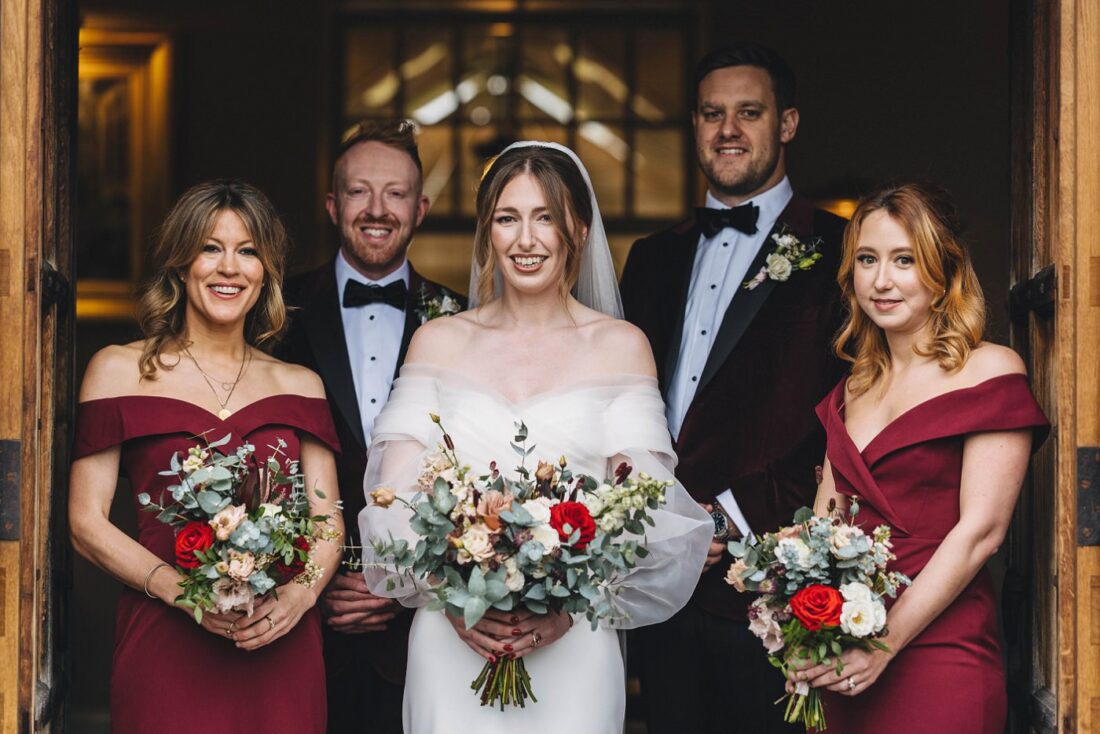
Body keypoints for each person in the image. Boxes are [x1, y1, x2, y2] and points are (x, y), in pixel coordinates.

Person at [358, 141, 713, 733]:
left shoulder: (621, 346)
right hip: (454, 639)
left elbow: (646, 507)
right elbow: (392, 497)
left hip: (574, 642)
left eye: (545, 217)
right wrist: (454, 598)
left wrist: (569, 612)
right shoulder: (438, 342)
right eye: (507, 218)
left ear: (577, 227)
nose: (526, 240)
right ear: (487, 233)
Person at [620, 42, 846, 732]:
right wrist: (662, 516)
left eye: (749, 112)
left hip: (775, 580)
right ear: (693, 125)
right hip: (661, 581)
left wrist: (732, 514)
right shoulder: (650, 260)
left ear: (788, 123)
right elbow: (620, 408)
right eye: (712, 113)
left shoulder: (841, 251)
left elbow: (850, 409)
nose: (728, 130)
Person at [69, 179, 345, 733]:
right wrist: (184, 595)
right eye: (210, 248)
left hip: (278, 641)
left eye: (247, 252)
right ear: (180, 262)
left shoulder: (302, 384)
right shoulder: (120, 370)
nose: (229, 268)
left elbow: (328, 523)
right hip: (167, 641)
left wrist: (300, 593)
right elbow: (84, 522)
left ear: (266, 271)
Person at [791, 182, 1048, 732]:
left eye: (904, 260)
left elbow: (982, 531)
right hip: (846, 661)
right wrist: (803, 635)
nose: (881, 280)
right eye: (867, 260)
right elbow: (821, 532)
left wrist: (883, 644)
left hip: (939, 651)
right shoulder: (852, 387)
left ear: (944, 271)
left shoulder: (989, 370)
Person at [279, 119, 464, 733]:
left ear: (421, 207)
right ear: (333, 205)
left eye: (396, 193)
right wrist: (312, 581)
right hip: (292, 622)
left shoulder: (464, 323)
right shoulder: (271, 313)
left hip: (423, 630)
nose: (377, 209)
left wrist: (402, 585)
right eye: (359, 192)